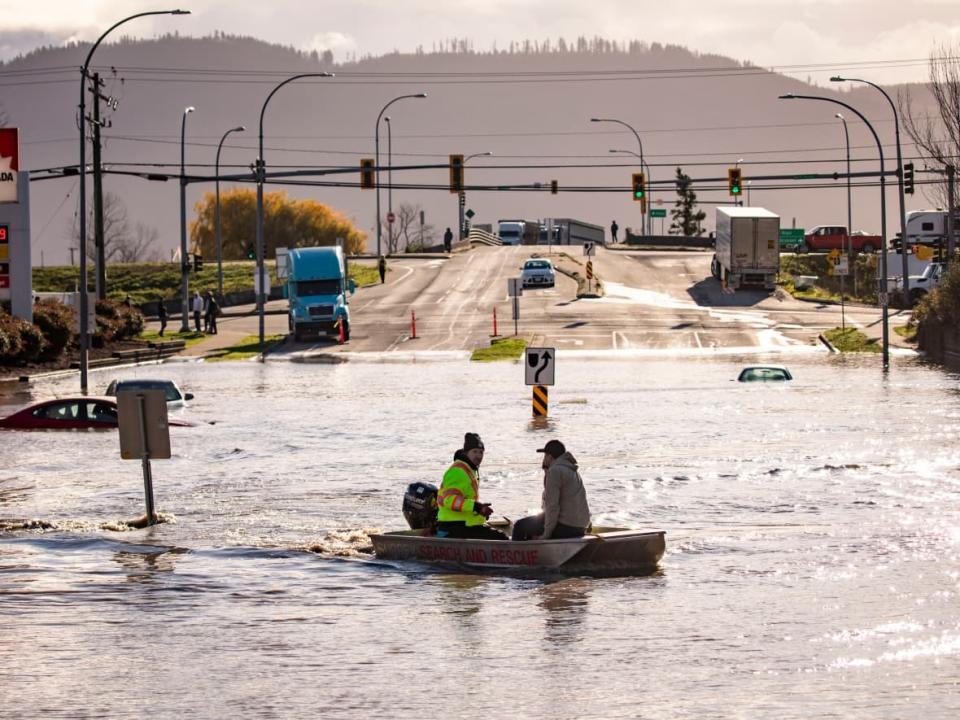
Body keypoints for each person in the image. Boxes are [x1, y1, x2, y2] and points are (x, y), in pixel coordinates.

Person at [511, 439, 591, 541]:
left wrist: (546, 535)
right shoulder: (572, 470)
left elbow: (552, 507)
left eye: (545, 456)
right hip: (581, 527)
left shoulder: (555, 471)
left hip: (566, 527)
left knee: (520, 526)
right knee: (534, 526)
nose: (543, 459)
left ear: (550, 456)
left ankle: (519, 554)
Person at [436, 433, 508, 540]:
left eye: (481, 452)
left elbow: (466, 500)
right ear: (466, 452)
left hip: (464, 524)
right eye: (474, 451)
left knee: (499, 535)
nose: (478, 456)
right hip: (453, 526)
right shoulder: (458, 471)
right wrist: (477, 507)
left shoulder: (470, 469)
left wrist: (480, 511)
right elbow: (449, 500)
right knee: (501, 538)